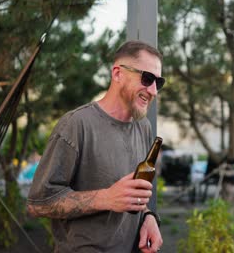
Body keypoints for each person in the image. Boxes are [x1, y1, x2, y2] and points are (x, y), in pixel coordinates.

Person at [27, 40, 164, 253]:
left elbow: (132, 195)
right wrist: (106, 198)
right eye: (147, 79)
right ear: (117, 74)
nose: (154, 90)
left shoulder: (143, 127)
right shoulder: (76, 124)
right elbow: (38, 203)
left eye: (159, 82)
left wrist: (148, 216)